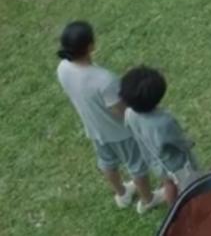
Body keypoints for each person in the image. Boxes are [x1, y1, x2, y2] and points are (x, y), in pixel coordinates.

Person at [55, 21, 164, 214]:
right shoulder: (104, 79)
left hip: (94, 129)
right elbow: (121, 110)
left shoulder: (63, 68)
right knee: (136, 166)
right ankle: (147, 200)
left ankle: (122, 194)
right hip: (120, 133)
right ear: (90, 46)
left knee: (106, 162)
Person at [119, 66, 201, 205]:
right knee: (191, 187)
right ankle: (193, 207)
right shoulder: (164, 121)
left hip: (156, 162)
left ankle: (172, 209)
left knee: (168, 184)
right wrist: (188, 143)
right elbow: (178, 140)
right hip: (176, 165)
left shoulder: (129, 113)